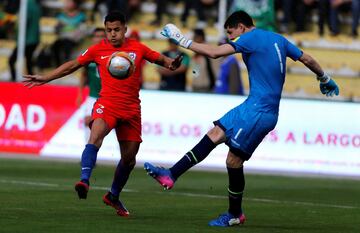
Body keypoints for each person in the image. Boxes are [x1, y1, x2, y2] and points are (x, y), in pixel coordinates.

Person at [144, 10, 339, 227]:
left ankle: (235, 214)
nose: (231, 38)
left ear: (241, 27)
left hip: (259, 111)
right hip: (252, 106)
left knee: (233, 161)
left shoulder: (248, 38)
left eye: (231, 33)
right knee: (215, 133)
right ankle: (171, 174)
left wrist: (181, 40)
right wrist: (325, 78)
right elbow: (307, 58)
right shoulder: (279, 39)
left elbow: (214, 53)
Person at [23, 11, 182, 217]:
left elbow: (160, 59)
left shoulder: (137, 47)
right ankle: (84, 180)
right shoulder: (98, 50)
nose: (112, 34)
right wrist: (46, 77)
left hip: (132, 109)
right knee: (95, 135)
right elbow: (72, 65)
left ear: (125, 29)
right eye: (109, 30)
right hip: (107, 104)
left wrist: (172, 63)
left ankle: (113, 196)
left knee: (129, 159)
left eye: (116, 30)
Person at [76, 27, 106, 142]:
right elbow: (84, 75)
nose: (99, 39)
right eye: (96, 36)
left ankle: (123, 158)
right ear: (93, 38)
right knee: (88, 121)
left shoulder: (112, 55)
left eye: (102, 36)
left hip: (109, 97)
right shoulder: (88, 55)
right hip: (93, 95)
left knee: (116, 126)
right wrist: (79, 94)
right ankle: (87, 154)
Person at [8, 0, 41, 81]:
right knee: (29, 62)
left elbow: (25, 21)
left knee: (11, 61)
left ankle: (14, 80)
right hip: (34, 38)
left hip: (26, 39)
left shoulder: (27, 5)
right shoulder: (36, 4)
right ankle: (33, 82)